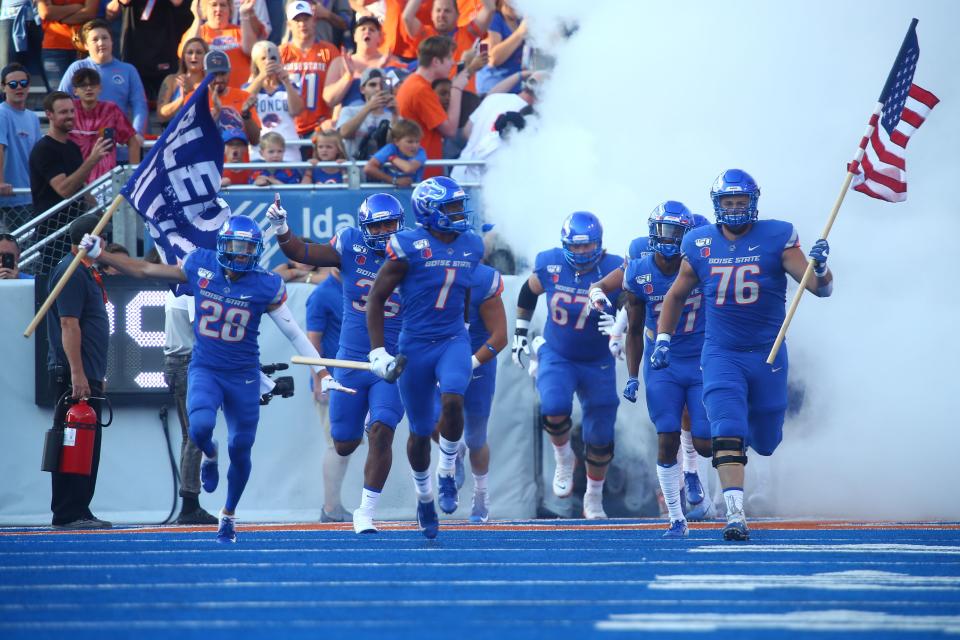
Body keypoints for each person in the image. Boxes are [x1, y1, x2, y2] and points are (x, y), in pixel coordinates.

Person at [81, 214, 340, 543]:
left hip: (243, 374)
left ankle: (228, 514)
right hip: (205, 368)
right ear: (222, 246)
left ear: (257, 252)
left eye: (248, 249)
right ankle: (210, 454)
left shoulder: (264, 284)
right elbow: (147, 270)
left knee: (242, 448)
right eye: (235, 247)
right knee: (200, 429)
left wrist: (322, 371)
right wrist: (100, 255)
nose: (241, 255)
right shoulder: (201, 266)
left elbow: (294, 333)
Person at [653, 169, 834, 541]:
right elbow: (674, 295)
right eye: (728, 202)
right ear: (717, 205)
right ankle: (736, 515)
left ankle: (748, 439)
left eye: (740, 202)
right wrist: (663, 338)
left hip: (768, 353)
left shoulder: (777, 236)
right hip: (721, 353)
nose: (735, 209)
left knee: (767, 440)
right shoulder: (700, 242)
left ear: (753, 203)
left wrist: (821, 267)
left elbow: (819, 289)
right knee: (726, 429)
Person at [266, 192, 407, 535]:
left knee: (383, 430)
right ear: (364, 227)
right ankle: (360, 422)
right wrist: (282, 228)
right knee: (343, 442)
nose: (388, 231)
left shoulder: (411, 250)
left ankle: (365, 511)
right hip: (352, 359)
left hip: (392, 360)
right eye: (380, 225)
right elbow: (302, 253)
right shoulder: (349, 244)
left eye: (392, 224)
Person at [365, 176, 483, 538]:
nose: (458, 213)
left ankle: (446, 470)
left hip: (452, 338)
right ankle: (424, 495)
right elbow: (376, 298)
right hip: (414, 343)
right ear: (430, 211)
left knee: (452, 400)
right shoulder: (408, 245)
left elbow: (461, 290)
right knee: (417, 432)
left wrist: (462, 325)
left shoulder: (472, 245)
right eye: (449, 207)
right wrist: (377, 351)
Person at [588, 201, 712, 537]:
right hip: (662, 359)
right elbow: (631, 310)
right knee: (667, 433)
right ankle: (676, 516)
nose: (668, 238)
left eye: (676, 232)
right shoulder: (639, 263)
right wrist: (630, 372)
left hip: (700, 353)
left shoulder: (703, 261)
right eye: (664, 230)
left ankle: (696, 472)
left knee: (706, 441)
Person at [511, 211, 622, 519]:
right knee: (553, 405)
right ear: (564, 245)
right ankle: (563, 458)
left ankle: (594, 496)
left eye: (588, 246)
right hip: (558, 353)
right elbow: (528, 291)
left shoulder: (614, 267)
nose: (582, 252)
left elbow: (630, 300)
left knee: (600, 436)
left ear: (600, 244)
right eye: (576, 247)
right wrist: (521, 331)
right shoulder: (550, 263)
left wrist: (622, 323)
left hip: (598, 360)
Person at [45, 213, 111, 529]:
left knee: (87, 445)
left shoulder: (85, 272)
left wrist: (93, 374)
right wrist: (77, 374)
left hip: (88, 374)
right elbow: (68, 323)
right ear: (94, 240)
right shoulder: (70, 272)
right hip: (76, 376)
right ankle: (68, 512)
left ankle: (80, 509)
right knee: (74, 442)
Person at [432, 261, 506, 522]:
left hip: (477, 361)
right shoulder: (420, 269)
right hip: (436, 357)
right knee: (431, 424)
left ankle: (481, 494)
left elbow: (500, 336)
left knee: (476, 437)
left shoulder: (482, 278)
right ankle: (452, 456)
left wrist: (469, 364)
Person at [162, 286, 218, 525]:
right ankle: (189, 504)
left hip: (177, 361)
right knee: (196, 435)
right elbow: (204, 331)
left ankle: (189, 500)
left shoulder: (177, 290)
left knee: (190, 436)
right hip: (188, 362)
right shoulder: (192, 292)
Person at [29, 91, 110, 245]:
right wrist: (93, 159)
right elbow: (64, 189)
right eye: (63, 112)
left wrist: (101, 214)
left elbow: (81, 186)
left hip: (75, 230)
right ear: (49, 114)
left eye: (72, 111)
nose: (70, 115)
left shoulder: (72, 146)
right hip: (52, 233)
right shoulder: (44, 149)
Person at [304, 267, 353, 522]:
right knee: (337, 444)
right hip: (332, 379)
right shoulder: (323, 295)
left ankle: (334, 505)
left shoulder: (350, 286)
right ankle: (330, 507)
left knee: (344, 444)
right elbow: (312, 341)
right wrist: (319, 379)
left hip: (347, 377)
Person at [396, 36, 471, 179]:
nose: (453, 63)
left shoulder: (415, 83)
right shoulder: (421, 90)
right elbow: (450, 130)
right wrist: (456, 88)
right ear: (436, 61)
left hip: (422, 170)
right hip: (423, 175)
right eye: (449, 58)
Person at [59, 19, 149, 137]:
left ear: (112, 41)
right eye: (95, 40)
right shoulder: (77, 68)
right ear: (85, 45)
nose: (101, 43)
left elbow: (140, 105)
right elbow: (60, 102)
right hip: (84, 141)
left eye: (105, 38)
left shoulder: (128, 70)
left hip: (118, 141)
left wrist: (137, 133)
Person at [450, 69, 542, 185]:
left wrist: (520, 75)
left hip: (460, 175)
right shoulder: (528, 116)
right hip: (486, 183)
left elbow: (466, 132)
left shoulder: (494, 98)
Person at [67, 67, 143, 183]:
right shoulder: (68, 110)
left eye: (93, 84)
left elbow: (133, 142)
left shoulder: (111, 110)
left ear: (100, 88)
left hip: (105, 182)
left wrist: (133, 176)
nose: (88, 88)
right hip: (74, 182)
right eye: (83, 85)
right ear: (75, 91)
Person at [279, 1, 340, 143]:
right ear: (289, 25)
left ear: (314, 21)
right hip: (288, 127)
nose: (302, 24)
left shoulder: (329, 51)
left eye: (306, 19)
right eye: (297, 20)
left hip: (320, 127)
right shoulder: (280, 53)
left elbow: (339, 92)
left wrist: (335, 120)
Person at [113, 0, 194, 101]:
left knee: (165, 99)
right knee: (136, 101)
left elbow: (177, 2)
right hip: (135, 47)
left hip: (163, 47)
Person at [244, 39, 303, 162]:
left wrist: (286, 81)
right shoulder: (249, 87)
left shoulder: (290, 85)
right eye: (263, 58)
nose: (268, 62)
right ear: (255, 63)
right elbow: (243, 104)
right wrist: (261, 77)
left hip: (288, 151)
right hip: (259, 152)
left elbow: (296, 110)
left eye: (272, 58)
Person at [322, 14, 397, 112]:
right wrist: (348, 76)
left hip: (383, 119)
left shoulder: (391, 62)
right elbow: (329, 100)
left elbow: (398, 98)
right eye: (363, 29)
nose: (367, 31)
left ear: (379, 38)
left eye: (372, 29)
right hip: (351, 121)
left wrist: (380, 70)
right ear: (354, 37)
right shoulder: (340, 63)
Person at [402, 0, 494, 77]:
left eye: (447, 11)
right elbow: (407, 17)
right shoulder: (425, 35)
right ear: (431, 15)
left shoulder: (468, 32)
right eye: (438, 10)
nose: (441, 15)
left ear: (457, 15)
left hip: (464, 95)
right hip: (432, 95)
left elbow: (489, 9)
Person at [179, 0, 256, 90]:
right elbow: (185, 53)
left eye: (223, 5)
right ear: (205, 9)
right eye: (214, 5)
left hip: (239, 95)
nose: (218, 9)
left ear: (230, 9)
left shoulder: (240, 31)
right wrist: (197, 19)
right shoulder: (197, 31)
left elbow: (252, 52)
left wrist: (244, 15)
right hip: (208, 95)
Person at [0, 63, 41, 232]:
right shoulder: (2, 113)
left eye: (23, 83)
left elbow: (38, 155)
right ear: (3, 87)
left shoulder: (32, 117)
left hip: (27, 196)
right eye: (13, 84)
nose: (19, 88)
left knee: (25, 250)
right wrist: (0, 182)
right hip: (8, 198)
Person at [336, 66, 396, 160]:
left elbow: (396, 143)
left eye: (382, 85)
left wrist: (395, 114)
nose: (377, 89)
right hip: (354, 170)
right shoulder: (349, 111)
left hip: (383, 170)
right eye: (372, 85)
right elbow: (344, 133)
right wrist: (368, 107)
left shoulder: (393, 116)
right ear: (362, 89)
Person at [37, 0, 98, 91]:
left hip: (82, 47)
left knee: (85, 92)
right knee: (58, 95)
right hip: (53, 47)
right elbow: (45, 13)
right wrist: (77, 7)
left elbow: (89, 13)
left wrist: (60, 18)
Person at [205, 50, 261, 146]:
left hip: (239, 160)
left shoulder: (244, 96)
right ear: (205, 73)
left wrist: (246, 115)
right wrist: (217, 112)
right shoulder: (195, 99)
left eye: (223, 74)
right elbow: (198, 141)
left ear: (229, 72)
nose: (219, 79)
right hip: (211, 160)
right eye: (214, 75)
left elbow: (255, 140)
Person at [475, 0, 525, 94]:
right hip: (492, 90)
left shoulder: (520, 20)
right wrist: (520, 33)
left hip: (516, 89)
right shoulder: (494, 18)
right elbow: (493, 58)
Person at [156, 37, 209, 124]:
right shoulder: (171, 80)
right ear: (183, 57)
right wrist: (181, 99)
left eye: (199, 52)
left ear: (206, 57)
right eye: (190, 52)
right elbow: (161, 116)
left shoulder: (210, 83)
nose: (194, 56)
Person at [364, 118, 426, 186]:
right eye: (410, 142)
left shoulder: (420, 151)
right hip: (389, 192)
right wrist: (394, 180)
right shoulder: (390, 148)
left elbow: (408, 168)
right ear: (396, 142)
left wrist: (392, 158)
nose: (415, 145)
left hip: (413, 192)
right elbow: (368, 168)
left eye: (417, 141)